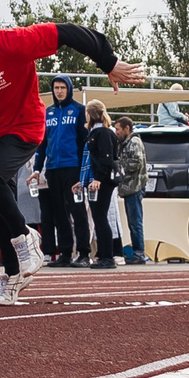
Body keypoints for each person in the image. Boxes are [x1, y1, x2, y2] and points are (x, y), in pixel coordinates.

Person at [0, 0, 146, 306]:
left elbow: (68, 32)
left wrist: (109, 62)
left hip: (23, 127)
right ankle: (13, 276)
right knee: (0, 204)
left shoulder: (11, 42)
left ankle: (27, 236)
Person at [38, 78, 94, 267]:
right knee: (59, 213)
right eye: (56, 88)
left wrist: (84, 171)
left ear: (69, 89)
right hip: (53, 169)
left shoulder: (79, 110)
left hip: (73, 168)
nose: (59, 91)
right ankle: (65, 252)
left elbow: (85, 141)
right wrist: (37, 168)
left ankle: (84, 253)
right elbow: (43, 143)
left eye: (63, 87)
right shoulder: (49, 112)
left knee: (77, 211)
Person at [83, 102, 123, 268]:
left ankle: (107, 256)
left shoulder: (103, 133)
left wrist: (98, 178)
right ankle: (104, 254)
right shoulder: (96, 132)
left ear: (90, 114)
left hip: (103, 181)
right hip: (98, 179)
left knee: (100, 216)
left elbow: (105, 158)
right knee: (99, 216)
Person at [112, 115, 147, 263]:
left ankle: (139, 252)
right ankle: (137, 251)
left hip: (134, 186)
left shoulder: (134, 142)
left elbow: (137, 163)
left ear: (127, 128)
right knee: (133, 221)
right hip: (128, 187)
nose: (116, 132)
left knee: (135, 221)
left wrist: (119, 167)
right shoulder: (124, 143)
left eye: (118, 129)